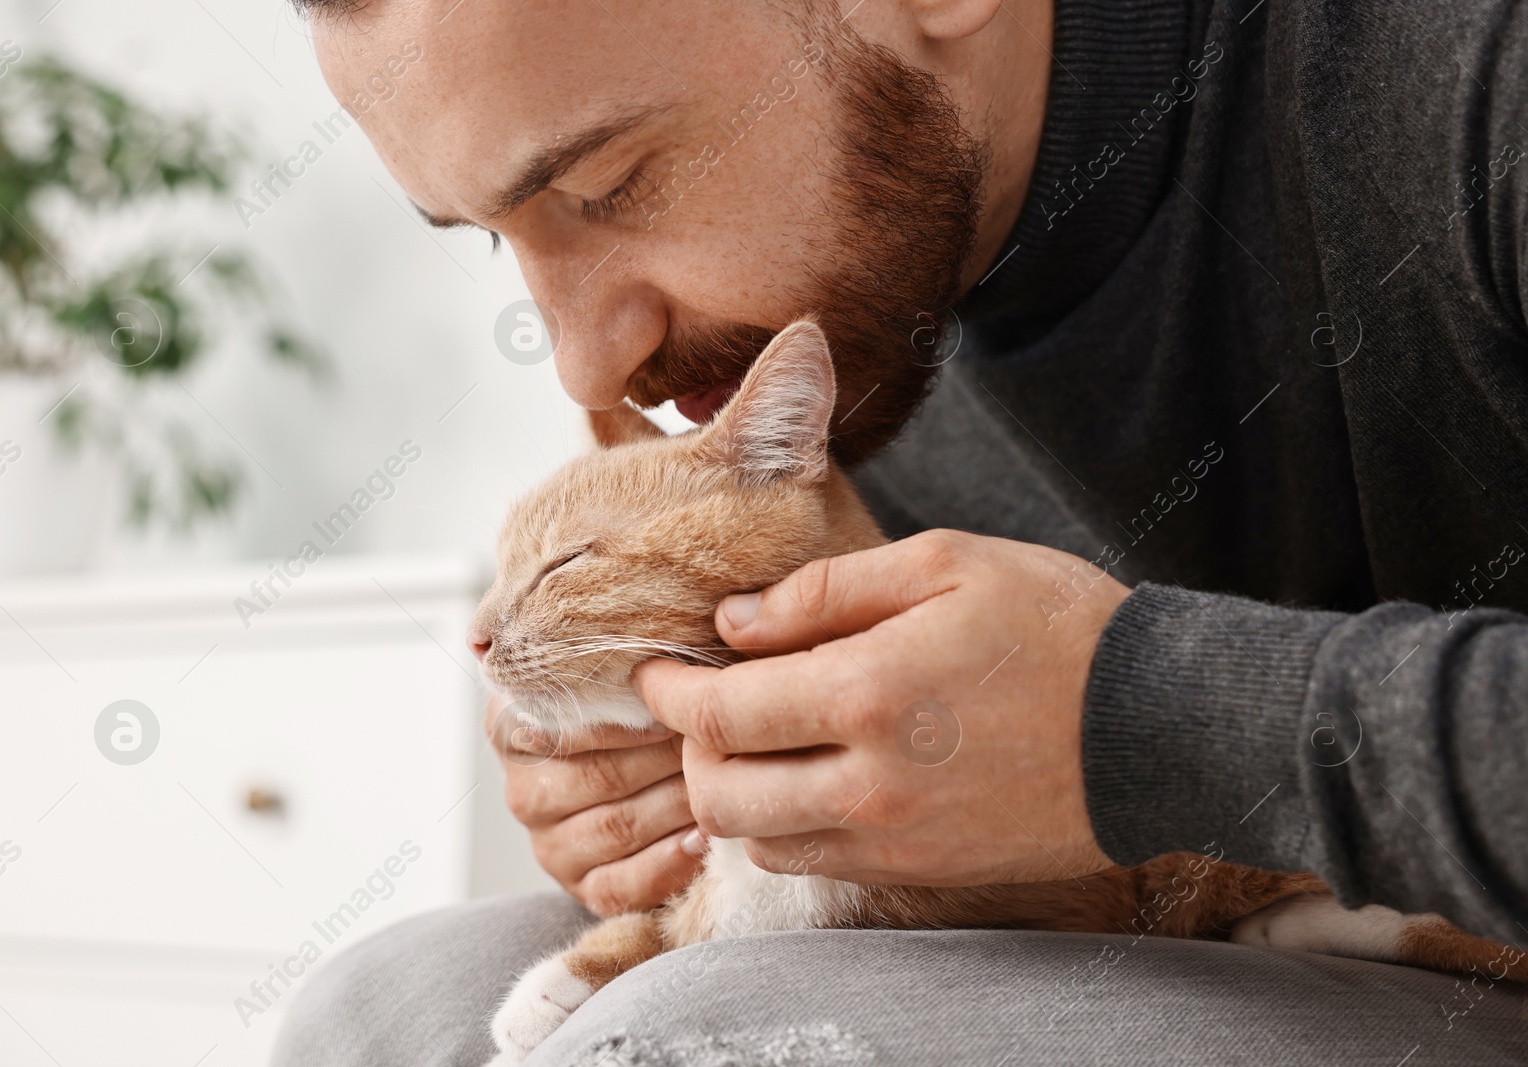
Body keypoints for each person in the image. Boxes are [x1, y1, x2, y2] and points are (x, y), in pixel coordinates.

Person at [275, 0, 1528, 1063]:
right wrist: (657, 787)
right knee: (387, 1002)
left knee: (695, 1027)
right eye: (501, 237)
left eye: (609, 184)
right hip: (1203, 942)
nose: (585, 362)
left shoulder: (1473, 74)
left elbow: (1121, 753)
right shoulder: (854, 319)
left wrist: (1140, 722)